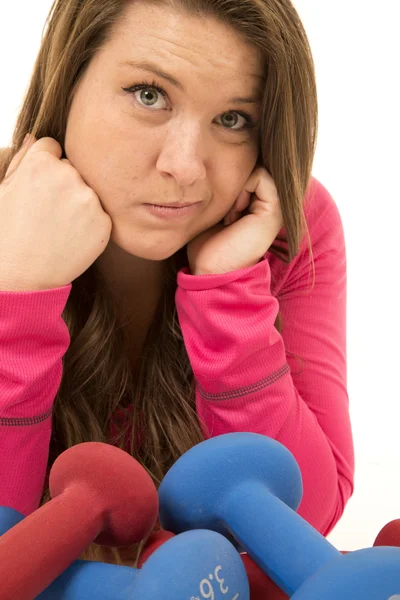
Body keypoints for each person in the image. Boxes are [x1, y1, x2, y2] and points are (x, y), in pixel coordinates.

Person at [0, 0, 354, 566]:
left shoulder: (285, 225)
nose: (185, 166)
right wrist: (18, 297)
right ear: (67, 80)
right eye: (148, 94)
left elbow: (302, 529)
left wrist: (230, 292)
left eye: (233, 119)